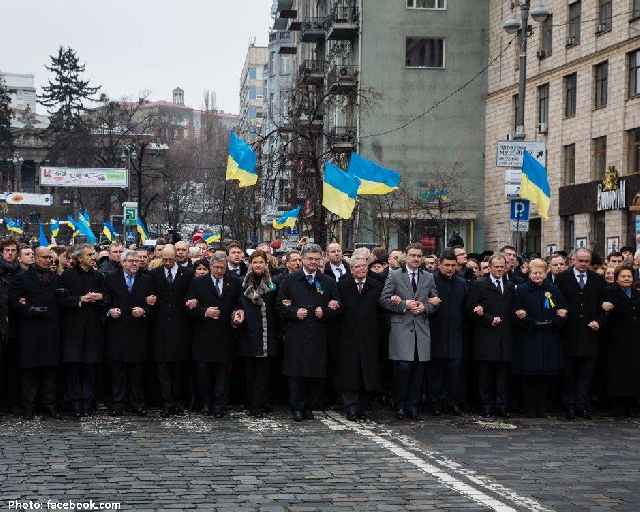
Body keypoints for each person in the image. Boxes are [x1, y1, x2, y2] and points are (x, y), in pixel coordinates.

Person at [276, 243, 340, 422]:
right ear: (302, 259)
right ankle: (297, 406)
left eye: (316, 259)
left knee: (316, 372)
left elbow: (337, 306)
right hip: (297, 332)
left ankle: (309, 406)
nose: (313, 262)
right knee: (295, 373)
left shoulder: (328, 281)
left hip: (319, 334)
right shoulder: (290, 280)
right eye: (309, 258)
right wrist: (294, 312)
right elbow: (279, 305)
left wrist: (326, 313)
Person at [379, 243, 439, 421]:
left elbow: (434, 302)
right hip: (401, 328)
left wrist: (424, 307)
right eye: (413, 255)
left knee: (418, 370)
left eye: (419, 256)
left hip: (421, 329)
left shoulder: (428, 277)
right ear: (406, 256)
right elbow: (383, 299)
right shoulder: (395, 275)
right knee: (403, 368)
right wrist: (404, 304)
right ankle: (400, 404)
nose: (416, 258)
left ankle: (413, 406)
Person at [555, 248, 610, 420]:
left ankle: (583, 405)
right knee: (569, 373)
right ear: (573, 260)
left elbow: (604, 306)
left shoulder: (597, 279)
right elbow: (555, 302)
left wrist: (599, 321)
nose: (583, 264)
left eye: (586, 261)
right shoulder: (562, 278)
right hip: (569, 333)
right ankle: (569, 406)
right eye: (580, 261)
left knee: (586, 374)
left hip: (589, 333)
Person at [186, 253, 243, 418]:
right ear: (210, 266)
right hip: (204, 336)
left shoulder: (233, 281)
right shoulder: (198, 282)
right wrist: (205, 312)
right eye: (216, 267)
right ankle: (206, 403)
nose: (219, 271)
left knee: (222, 372)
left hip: (225, 335)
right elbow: (188, 306)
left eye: (222, 268)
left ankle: (219, 405)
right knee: (203, 371)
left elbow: (238, 303)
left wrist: (236, 314)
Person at [512, 259, 568, 418]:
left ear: (546, 273)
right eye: (534, 272)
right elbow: (516, 313)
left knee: (544, 375)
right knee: (529, 375)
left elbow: (563, 309)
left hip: (548, 337)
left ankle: (542, 409)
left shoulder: (554, 290)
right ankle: (529, 408)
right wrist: (532, 323)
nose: (538, 275)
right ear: (529, 274)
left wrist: (554, 321)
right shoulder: (521, 291)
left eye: (541, 272)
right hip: (529, 338)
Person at [10, 247, 61, 419]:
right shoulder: (22, 278)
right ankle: (28, 407)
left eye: (50, 258)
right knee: (30, 373)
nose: (48, 261)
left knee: (50, 372)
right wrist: (30, 310)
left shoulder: (56, 278)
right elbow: (14, 302)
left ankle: (50, 406)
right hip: (31, 331)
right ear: (36, 257)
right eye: (44, 257)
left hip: (51, 330)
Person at [102, 249, 154, 416]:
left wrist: (144, 310)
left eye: (137, 261)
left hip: (137, 332)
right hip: (117, 330)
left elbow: (153, 304)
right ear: (122, 263)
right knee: (118, 371)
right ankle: (118, 402)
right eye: (131, 261)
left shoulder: (146, 280)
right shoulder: (111, 278)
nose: (134, 264)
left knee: (136, 372)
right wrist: (110, 311)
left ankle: (137, 403)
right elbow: (104, 299)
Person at [57, 244, 106, 417]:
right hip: (73, 329)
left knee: (90, 368)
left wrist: (100, 297)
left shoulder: (99, 276)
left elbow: (108, 297)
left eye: (94, 254)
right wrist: (80, 300)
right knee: (74, 367)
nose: (94, 257)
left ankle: (88, 401)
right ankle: (75, 402)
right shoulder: (68, 275)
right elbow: (60, 300)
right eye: (90, 254)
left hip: (93, 329)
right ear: (79, 258)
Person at [334, 255, 383, 421]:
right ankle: (350, 406)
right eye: (357, 267)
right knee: (349, 371)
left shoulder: (376, 286)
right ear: (351, 270)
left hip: (369, 335)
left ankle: (361, 405)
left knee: (365, 371)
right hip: (348, 335)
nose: (361, 269)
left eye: (364, 266)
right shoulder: (342, 286)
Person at [147, 245, 194, 417]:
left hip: (180, 327)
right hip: (160, 327)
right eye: (164, 259)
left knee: (178, 368)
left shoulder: (187, 274)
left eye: (170, 259)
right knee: (162, 368)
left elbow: (190, 296)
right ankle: (167, 402)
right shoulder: (154, 274)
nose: (167, 262)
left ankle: (176, 401)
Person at [468, 253, 515, 418]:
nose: (500, 270)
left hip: (504, 337)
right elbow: (471, 308)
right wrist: (487, 318)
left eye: (502, 267)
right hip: (486, 336)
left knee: (502, 376)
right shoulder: (479, 284)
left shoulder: (509, 285)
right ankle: (486, 406)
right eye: (496, 267)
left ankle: (501, 406)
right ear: (489, 267)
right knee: (486, 376)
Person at [234, 250, 277, 418]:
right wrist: (237, 313)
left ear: (266, 264)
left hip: (267, 333)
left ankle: (259, 404)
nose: (258, 265)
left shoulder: (274, 283)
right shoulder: (241, 283)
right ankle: (251, 401)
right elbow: (236, 303)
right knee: (249, 372)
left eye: (261, 262)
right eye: (255, 262)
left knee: (263, 373)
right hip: (248, 332)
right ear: (250, 263)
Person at [426, 250, 467, 416]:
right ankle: (434, 403)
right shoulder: (431, 280)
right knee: (434, 373)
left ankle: (452, 402)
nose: (450, 268)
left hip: (455, 334)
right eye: (447, 265)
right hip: (435, 332)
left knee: (455, 371)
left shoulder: (461, 282)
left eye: (453, 265)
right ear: (439, 265)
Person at [603, 265, 640, 417]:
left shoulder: (637, 294)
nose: (626, 279)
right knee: (617, 374)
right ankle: (617, 406)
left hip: (634, 339)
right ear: (617, 278)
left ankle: (631, 404)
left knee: (633, 373)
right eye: (623, 276)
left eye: (629, 276)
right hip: (616, 339)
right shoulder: (610, 292)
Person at [0, 237, 22, 414]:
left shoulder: (20, 273)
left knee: (14, 366)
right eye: (7, 250)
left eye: (13, 250)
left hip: (16, 325)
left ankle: (13, 401)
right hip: (2, 322)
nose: (10, 253)